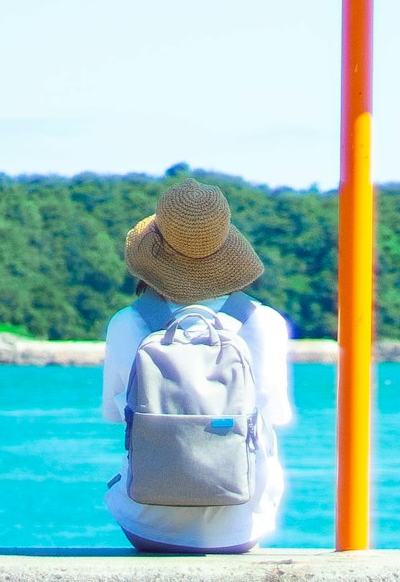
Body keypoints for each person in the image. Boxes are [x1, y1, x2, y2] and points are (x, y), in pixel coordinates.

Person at [100, 177, 296, 554]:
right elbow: (276, 417)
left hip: (147, 525)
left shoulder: (127, 324)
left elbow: (116, 415)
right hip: (241, 527)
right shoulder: (265, 323)